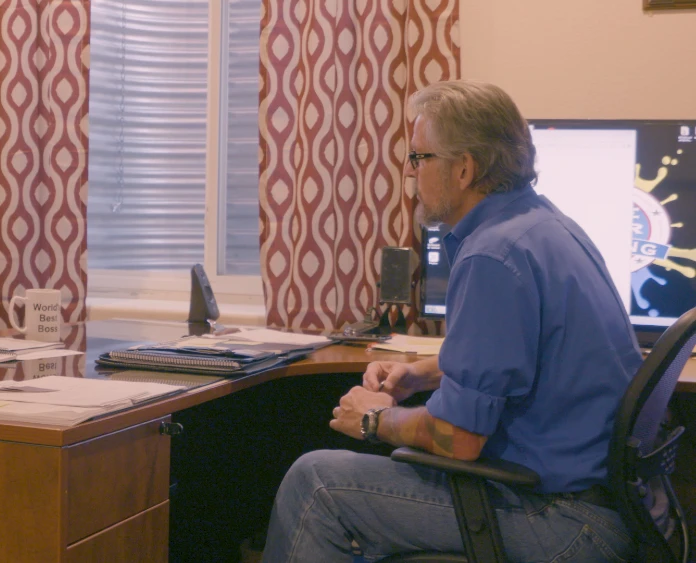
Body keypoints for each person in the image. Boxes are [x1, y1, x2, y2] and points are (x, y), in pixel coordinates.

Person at [261, 80, 642, 562]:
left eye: (419, 159)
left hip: (559, 522)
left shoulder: (491, 256)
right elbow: (521, 353)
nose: (412, 173)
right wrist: (422, 373)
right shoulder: (546, 226)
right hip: (607, 508)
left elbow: (460, 440)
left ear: (464, 169)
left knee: (314, 482)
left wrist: (375, 419)